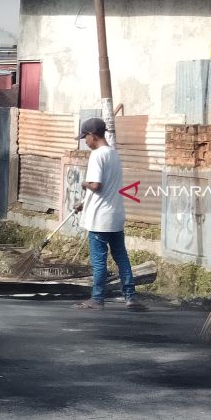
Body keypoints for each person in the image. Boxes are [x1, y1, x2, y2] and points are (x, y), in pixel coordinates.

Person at [72, 117, 146, 312]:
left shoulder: (97, 155)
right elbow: (107, 189)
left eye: (85, 137)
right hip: (115, 215)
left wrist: (83, 184)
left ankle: (97, 299)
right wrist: (83, 203)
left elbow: (96, 185)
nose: (85, 142)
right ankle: (130, 297)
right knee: (121, 257)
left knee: (99, 261)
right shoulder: (113, 154)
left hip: (99, 219)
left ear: (93, 136)